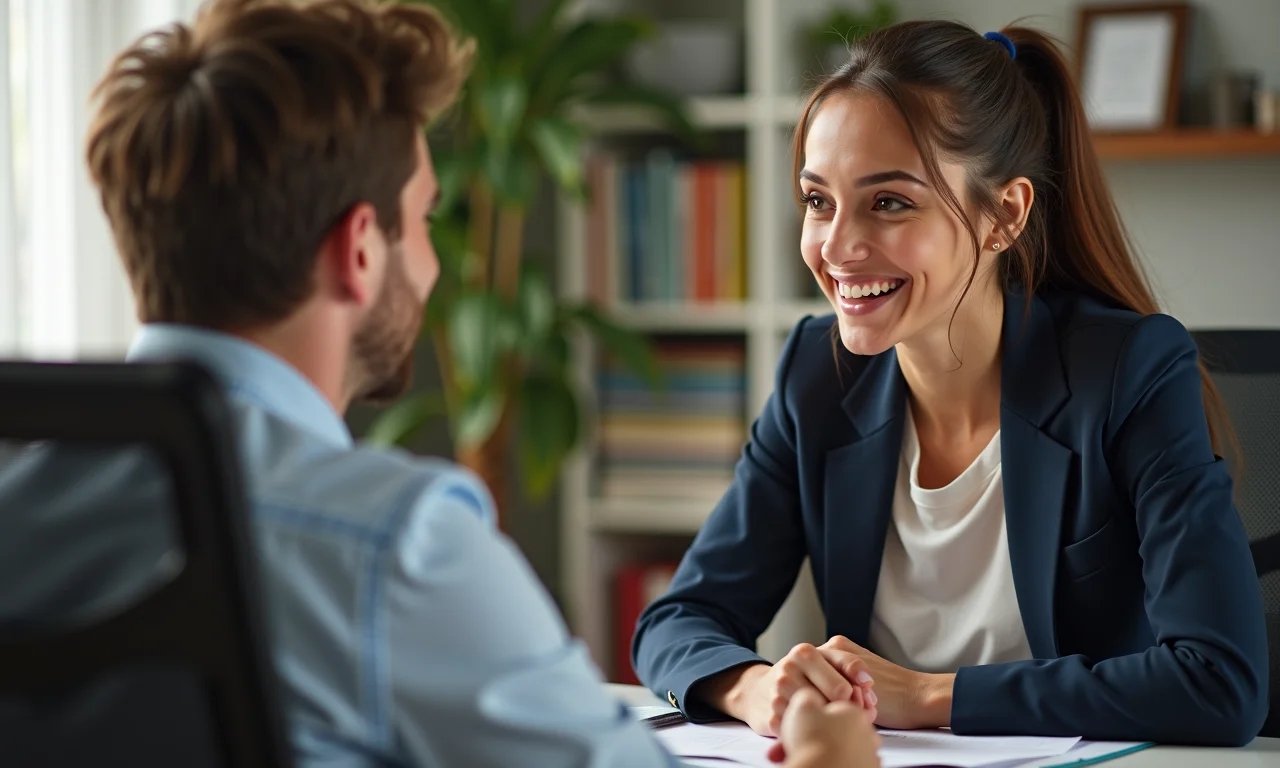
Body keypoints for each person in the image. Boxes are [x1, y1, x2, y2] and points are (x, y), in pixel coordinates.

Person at [0, 0, 886, 766]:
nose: (429, 266)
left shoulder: (16, 502)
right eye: (423, 220)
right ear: (357, 250)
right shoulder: (392, 544)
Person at [633, 20, 1270, 748]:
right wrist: (756, 688)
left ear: (1004, 215)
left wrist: (930, 695)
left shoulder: (1126, 371)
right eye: (818, 201)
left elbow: (1219, 681)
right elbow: (677, 621)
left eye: (889, 202)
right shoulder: (817, 374)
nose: (837, 247)